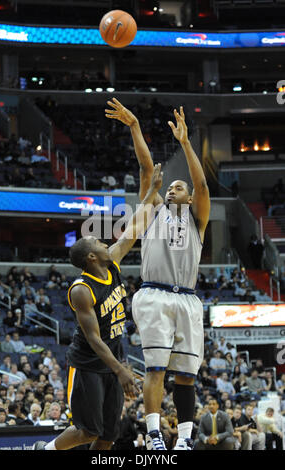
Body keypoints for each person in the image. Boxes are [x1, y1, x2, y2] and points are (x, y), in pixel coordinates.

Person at [33, 164, 163, 451]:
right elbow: (93, 339)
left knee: (108, 434)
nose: (106, 242)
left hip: (113, 357)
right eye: (98, 242)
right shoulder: (81, 289)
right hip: (88, 364)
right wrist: (120, 370)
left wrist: (152, 191)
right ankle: (42, 450)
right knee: (88, 431)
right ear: (91, 256)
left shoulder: (112, 263)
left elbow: (135, 227)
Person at [105, 98, 210, 451]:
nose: (171, 189)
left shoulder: (198, 219)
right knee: (155, 369)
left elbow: (203, 185)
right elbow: (147, 169)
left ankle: (183, 439)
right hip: (155, 294)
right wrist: (135, 126)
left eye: (178, 187)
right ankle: (153, 435)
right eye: (170, 187)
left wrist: (185, 143)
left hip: (188, 300)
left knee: (186, 376)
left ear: (189, 197)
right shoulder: (152, 212)